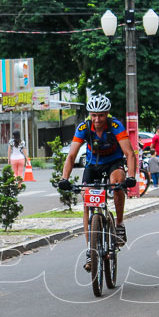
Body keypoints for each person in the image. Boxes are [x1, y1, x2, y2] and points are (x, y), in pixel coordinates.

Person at [58, 95, 138, 271]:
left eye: (101, 115)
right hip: (93, 165)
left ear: (107, 114)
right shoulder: (84, 127)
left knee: (117, 183)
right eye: (94, 115)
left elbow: (129, 153)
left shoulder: (115, 126)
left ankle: (118, 224)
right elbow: (71, 155)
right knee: (87, 200)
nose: (97, 119)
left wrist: (131, 176)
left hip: (113, 163)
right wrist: (64, 179)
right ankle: (90, 249)